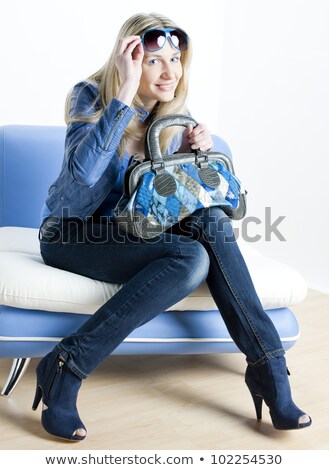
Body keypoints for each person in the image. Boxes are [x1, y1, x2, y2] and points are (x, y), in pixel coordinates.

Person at [34, 12, 311, 441]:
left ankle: (269, 369)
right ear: (128, 60)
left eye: (176, 58)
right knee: (189, 258)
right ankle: (67, 365)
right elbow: (84, 176)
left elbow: (172, 204)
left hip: (131, 233)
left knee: (211, 222)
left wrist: (190, 154)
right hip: (72, 233)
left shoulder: (173, 114)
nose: (169, 71)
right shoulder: (89, 96)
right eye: (154, 60)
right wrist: (124, 93)